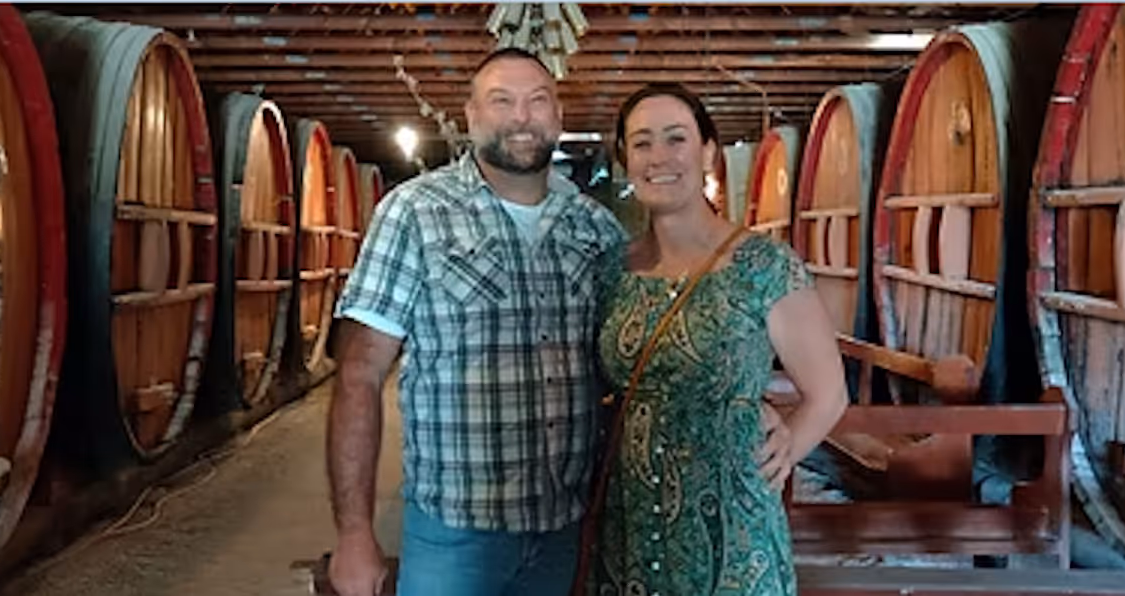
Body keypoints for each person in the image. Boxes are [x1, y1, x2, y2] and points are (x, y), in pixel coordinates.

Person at [326, 49, 797, 596]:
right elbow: (359, 374)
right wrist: (355, 531)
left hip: (568, 527)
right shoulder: (413, 213)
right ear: (471, 116)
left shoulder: (593, 228)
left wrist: (742, 397)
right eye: (501, 101)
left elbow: (636, 350)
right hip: (455, 533)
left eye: (537, 101)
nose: (521, 117)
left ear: (557, 118)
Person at [587, 83, 848, 595]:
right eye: (641, 143)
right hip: (630, 525)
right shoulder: (611, 270)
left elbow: (829, 393)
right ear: (625, 160)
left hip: (734, 531)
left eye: (675, 139)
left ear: (707, 150)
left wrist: (788, 442)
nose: (659, 157)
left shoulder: (762, 266)